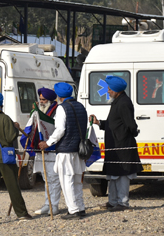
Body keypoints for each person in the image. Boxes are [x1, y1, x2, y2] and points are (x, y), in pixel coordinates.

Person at [89, 75, 142, 212]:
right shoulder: (117, 101)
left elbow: (130, 125)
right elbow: (114, 123)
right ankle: (112, 201)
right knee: (112, 175)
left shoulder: (124, 103)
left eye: (109, 89)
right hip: (114, 146)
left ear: (116, 90)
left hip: (122, 145)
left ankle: (123, 203)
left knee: (123, 175)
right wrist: (99, 123)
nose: (108, 91)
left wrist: (132, 133)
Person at [39, 83, 87, 220]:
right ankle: (81, 207)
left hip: (66, 149)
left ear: (59, 96)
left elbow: (60, 130)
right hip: (79, 149)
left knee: (67, 181)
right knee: (77, 180)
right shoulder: (81, 106)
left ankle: (73, 210)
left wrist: (47, 143)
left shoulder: (62, 108)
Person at [0, 92, 31, 225]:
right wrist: (15, 128)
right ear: (1, 104)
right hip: (5, 158)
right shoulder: (5, 119)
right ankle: (21, 213)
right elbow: (10, 137)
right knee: (13, 186)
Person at [20, 87, 60, 215]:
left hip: (52, 150)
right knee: (45, 178)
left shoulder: (57, 111)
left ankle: (54, 206)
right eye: (40, 99)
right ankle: (47, 204)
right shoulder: (39, 111)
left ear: (49, 100)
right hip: (41, 149)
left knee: (53, 179)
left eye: (43, 100)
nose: (41, 102)